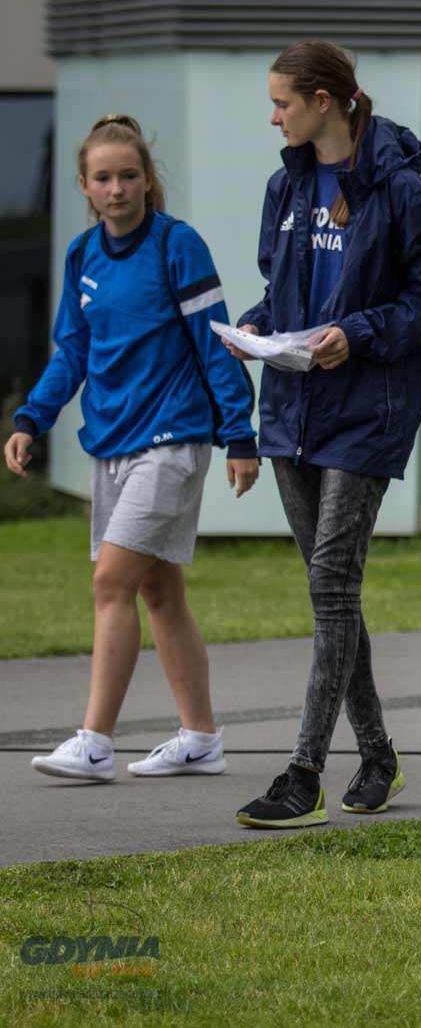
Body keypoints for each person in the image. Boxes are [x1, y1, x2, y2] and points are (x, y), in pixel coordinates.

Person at [230, 40, 421, 828]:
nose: (274, 117)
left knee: (331, 587)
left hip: (367, 412)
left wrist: (355, 335)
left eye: (282, 103)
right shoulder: (285, 186)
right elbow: (281, 290)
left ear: (323, 101)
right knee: (334, 595)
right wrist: (257, 327)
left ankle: (303, 774)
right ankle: (379, 754)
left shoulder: (406, 195)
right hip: (293, 407)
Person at [9, 115, 258, 782]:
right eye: (103, 178)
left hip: (172, 439)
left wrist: (240, 434)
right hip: (112, 442)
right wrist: (31, 418)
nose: (116, 188)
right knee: (158, 589)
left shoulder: (178, 245)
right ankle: (200, 739)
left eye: (128, 175)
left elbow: (215, 341)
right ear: (84, 186)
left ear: (148, 179)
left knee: (110, 582)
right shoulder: (83, 255)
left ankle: (94, 742)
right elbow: (73, 351)